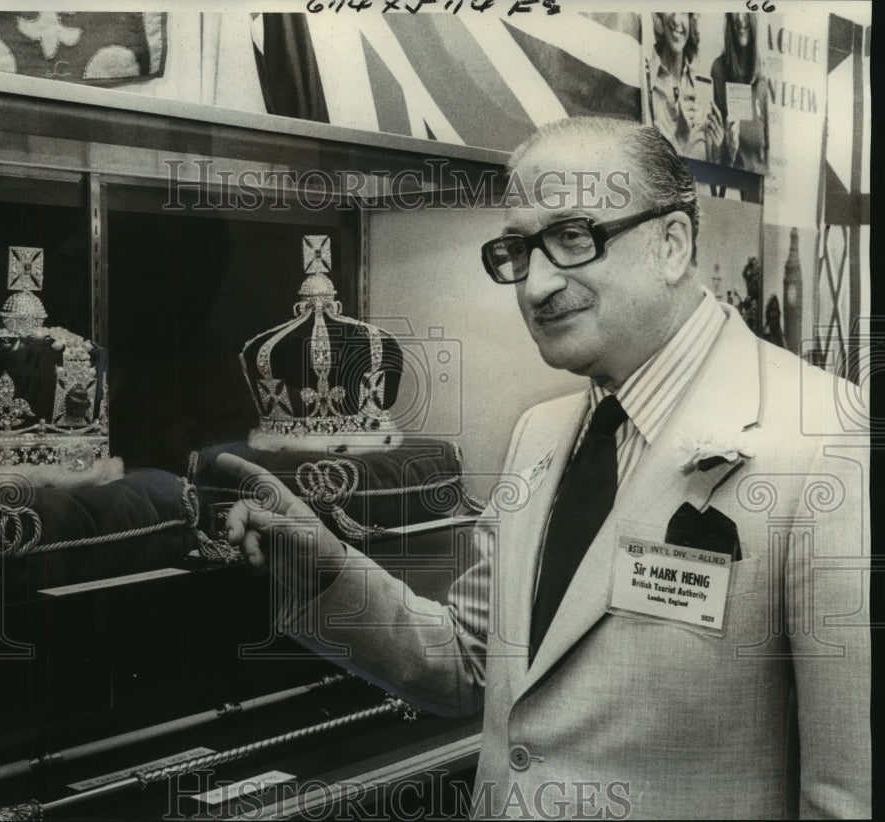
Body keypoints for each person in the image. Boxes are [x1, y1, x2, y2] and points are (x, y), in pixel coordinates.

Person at [219, 118, 870, 819]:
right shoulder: (541, 435)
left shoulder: (828, 439)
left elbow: (847, 791)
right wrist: (323, 567)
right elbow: (470, 663)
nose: (535, 286)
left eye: (571, 237)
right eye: (519, 250)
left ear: (672, 243)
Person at [646, 12, 723, 162]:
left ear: (691, 18)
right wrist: (680, 137)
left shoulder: (704, 86)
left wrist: (718, 151)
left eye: (683, 11)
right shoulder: (644, 81)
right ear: (659, 16)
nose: (676, 20)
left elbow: (709, 171)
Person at [710, 12, 769, 172]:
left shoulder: (763, 83)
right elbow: (713, 158)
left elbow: (768, 157)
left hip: (758, 190)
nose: (740, 17)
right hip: (731, 186)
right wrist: (728, 151)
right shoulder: (719, 70)